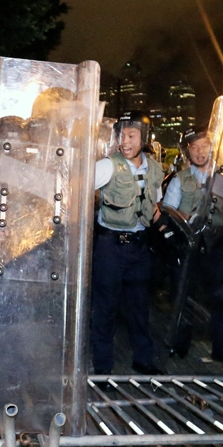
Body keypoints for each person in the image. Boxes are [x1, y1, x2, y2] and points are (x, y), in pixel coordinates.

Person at [162, 126, 223, 371]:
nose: (199, 152)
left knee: (222, 301)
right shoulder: (181, 179)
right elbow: (168, 209)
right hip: (189, 247)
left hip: (218, 247)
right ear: (188, 151)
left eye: (204, 146)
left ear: (213, 147)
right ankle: (180, 344)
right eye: (194, 147)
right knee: (184, 296)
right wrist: (187, 217)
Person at [91, 111, 164, 379]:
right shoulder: (108, 165)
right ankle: (102, 366)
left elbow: (153, 204)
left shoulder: (155, 169)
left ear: (144, 138)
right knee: (105, 308)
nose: (125, 141)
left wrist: (165, 229)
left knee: (139, 308)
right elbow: (77, 189)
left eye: (131, 135)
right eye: (121, 135)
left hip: (139, 247)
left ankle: (143, 361)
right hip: (110, 247)